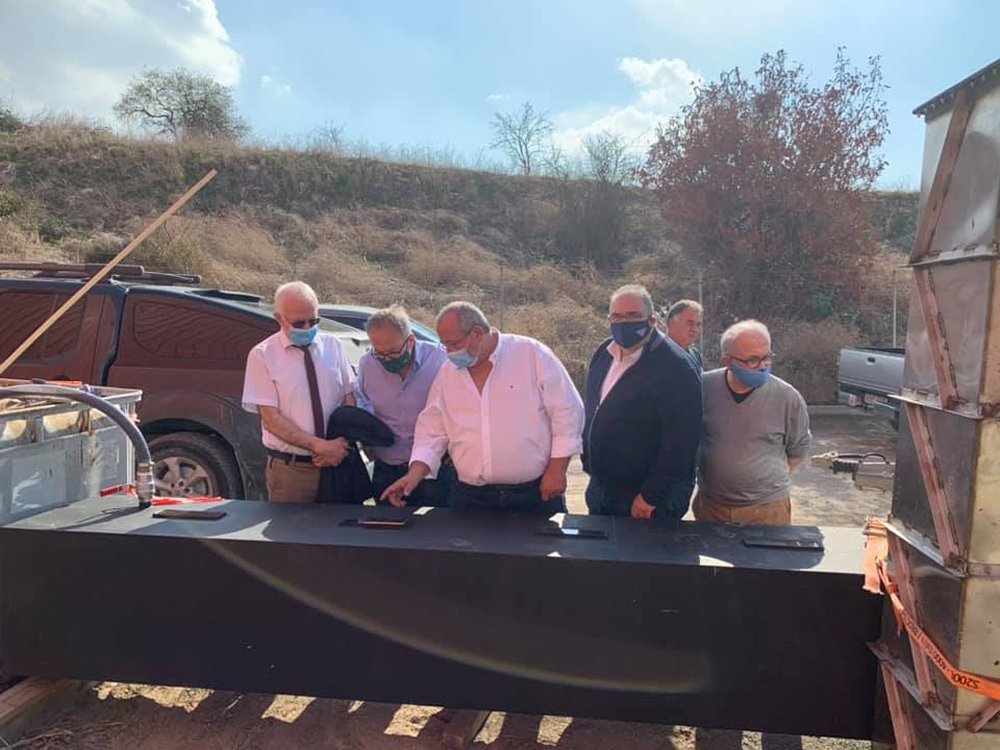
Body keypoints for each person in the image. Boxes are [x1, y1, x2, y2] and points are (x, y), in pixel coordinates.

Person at [381, 301, 584, 513]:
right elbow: (432, 430)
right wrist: (413, 476)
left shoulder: (531, 354)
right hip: (471, 498)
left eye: (452, 344)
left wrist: (557, 469)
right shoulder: (448, 374)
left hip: (533, 495)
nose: (448, 352)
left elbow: (567, 411)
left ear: (477, 333)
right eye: (444, 345)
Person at [583, 284, 703, 520]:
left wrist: (651, 496)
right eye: (616, 316)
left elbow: (682, 441)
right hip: (602, 488)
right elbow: (593, 408)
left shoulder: (676, 367)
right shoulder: (604, 353)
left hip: (645, 500)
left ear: (652, 320)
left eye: (633, 316)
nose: (623, 323)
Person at [242, 281, 356, 503]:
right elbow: (271, 418)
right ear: (279, 318)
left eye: (313, 321)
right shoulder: (262, 355)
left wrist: (341, 443)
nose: (307, 328)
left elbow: (349, 397)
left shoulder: (333, 346)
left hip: (338, 464)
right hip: (292, 471)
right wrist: (318, 446)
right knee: (291, 527)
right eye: (299, 323)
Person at [694, 319, 811, 525]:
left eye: (767, 357)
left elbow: (798, 451)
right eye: (753, 360)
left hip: (768, 511)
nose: (762, 366)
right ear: (728, 361)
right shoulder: (703, 388)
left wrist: (761, 484)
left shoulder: (787, 397)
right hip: (712, 507)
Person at [354, 305, 454, 506]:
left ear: (411, 341)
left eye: (393, 352)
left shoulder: (441, 361)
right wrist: (366, 439)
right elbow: (361, 403)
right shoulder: (368, 364)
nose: (387, 359)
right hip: (388, 467)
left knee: (439, 525)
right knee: (387, 525)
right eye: (380, 354)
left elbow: (459, 408)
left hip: (436, 468)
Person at [665, 299, 704, 371]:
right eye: (690, 323)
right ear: (672, 322)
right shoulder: (656, 352)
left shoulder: (695, 354)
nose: (695, 329)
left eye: (698, 325)